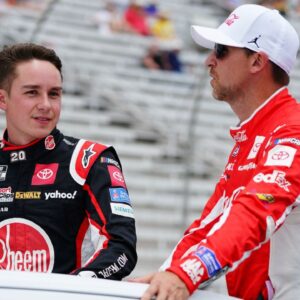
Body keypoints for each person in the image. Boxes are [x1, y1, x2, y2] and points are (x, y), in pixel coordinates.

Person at [133, 4, 300, 300]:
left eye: (221, 50)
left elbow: (256, 212)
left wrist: (186, 275)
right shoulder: (254, 133)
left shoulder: (292, 131)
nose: (209, 61)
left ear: (257, 62)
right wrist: (168, 274)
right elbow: (210, 223)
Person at [0, 43, 137, 279]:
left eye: (54, 93)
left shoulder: (91, 159)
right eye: (32, 92)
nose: (46, 105)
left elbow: (120, 248)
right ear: (3, 100)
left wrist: (74, 287)